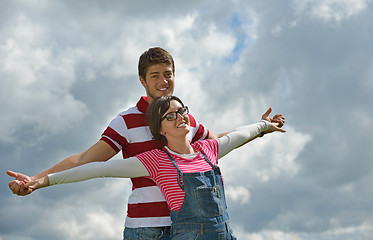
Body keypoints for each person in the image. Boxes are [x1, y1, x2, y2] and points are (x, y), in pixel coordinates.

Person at [7, 47, 285, 239]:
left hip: (192, 226)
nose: (163, 81)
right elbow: (88, 161)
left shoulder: (185, 118)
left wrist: (260, 128)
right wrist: (37, 179)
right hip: (147, 227)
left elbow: (216, 144)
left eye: (168, 74)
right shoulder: (126, 121)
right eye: (155, 75)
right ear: (143, 80)